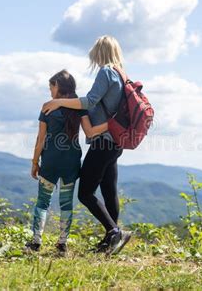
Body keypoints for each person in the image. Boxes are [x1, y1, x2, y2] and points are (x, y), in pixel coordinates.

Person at [42, 35, 132, 255]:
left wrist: (59, 101)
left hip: (103, 142)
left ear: (99, 52)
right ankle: (112, 239)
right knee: (109, 190)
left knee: (85, 193)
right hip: (115, 141)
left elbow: (90, 100)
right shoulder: (122, 74)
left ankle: (114, 232)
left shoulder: (106, 72)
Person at [26, 69, 107, 256]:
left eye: (51, 87)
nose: (50, 92)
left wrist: (34, 161)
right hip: (71, 162)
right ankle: (62, 245)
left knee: (43, 202)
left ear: (58, 86)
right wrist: (112, 124)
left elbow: (41, 139)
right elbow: (90, 133)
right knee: (66, 203)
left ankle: (36, 242)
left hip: (51, 161)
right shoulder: (79, 107)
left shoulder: (47, 107)